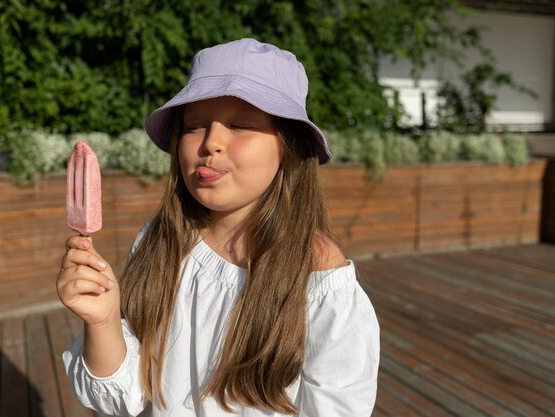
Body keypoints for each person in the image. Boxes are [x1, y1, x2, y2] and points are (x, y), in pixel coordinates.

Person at [58, 38, 380, 417]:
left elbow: (338, 407)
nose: (211, 142)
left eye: (240, 125)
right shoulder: (158, 243)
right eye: (194, 126)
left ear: (288, 146)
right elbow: (125, 397)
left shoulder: (318, 272)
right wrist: (104, 321)